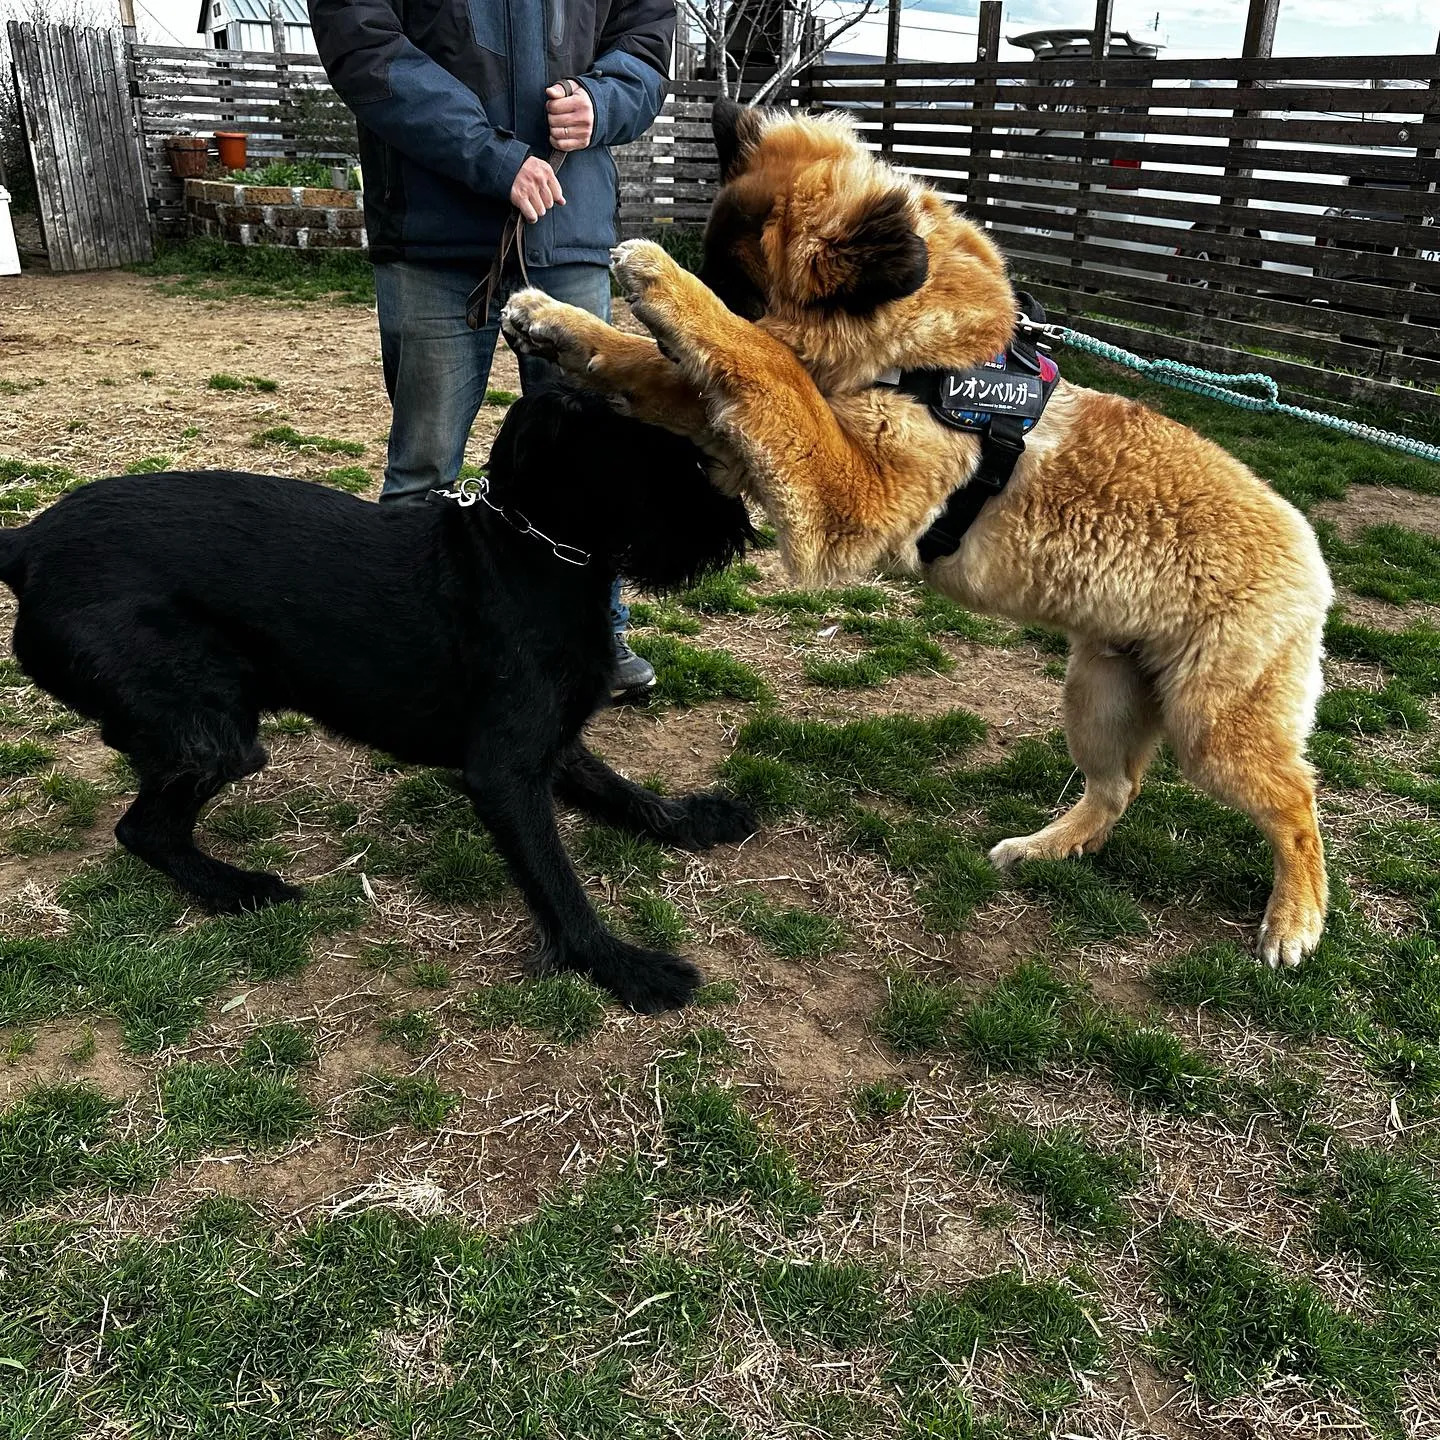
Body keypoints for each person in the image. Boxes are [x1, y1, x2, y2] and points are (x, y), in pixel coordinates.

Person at [308, 0, 676, 697]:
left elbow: (646, 42)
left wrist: (605, 99)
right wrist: (488, 152)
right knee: (424, 462)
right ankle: (409, 647)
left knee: (589, 460)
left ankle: (592, 634)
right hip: (431, 232)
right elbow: (362, 43)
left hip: (565, 229)